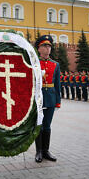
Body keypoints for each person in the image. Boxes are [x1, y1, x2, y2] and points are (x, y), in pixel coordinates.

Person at [34, 35, 60, 163]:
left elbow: (57, 84)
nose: (48, 48)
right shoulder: (34, 63)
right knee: (39, 125)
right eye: (45, 46)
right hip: (38, 98)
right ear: (39, 48)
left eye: (49, 46)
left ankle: (46, 151)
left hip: (50, 97)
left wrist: (58, 101)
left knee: (47, 125)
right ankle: (38, 151)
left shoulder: (55, 64)